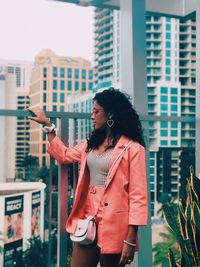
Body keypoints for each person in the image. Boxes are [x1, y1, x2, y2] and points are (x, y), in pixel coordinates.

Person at [28, 88, 148, 267]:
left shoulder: (133, 149)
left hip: (115, 226)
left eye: (96, 111)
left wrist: (130, 240)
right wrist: (48, 127)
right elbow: (64, 155)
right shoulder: (90, 144)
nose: (92, 115)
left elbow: (138, 196)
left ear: (111, 114)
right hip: (87, 220)